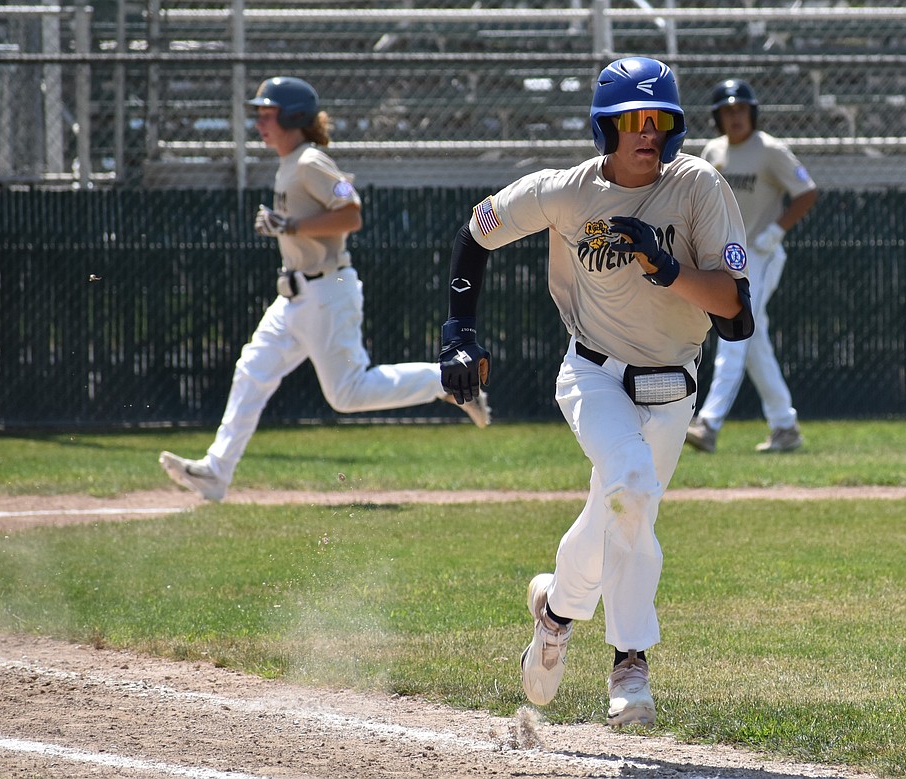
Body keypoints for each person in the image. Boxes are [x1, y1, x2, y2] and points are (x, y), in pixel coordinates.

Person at [436, 57, 753, 727]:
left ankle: (554, 612)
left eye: (659, 119)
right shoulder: (566, 191)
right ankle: (630, 661)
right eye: (632, 120)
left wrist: (666, 267)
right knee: (632, 491)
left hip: (673, 387)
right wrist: (457, 332)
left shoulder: (699, 186)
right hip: (592, 374)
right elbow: (476, 231)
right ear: (604, 127)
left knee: (614, 514)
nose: (648, 132)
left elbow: (735, 311)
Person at [160, 76, 490, 502]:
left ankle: (447, 380)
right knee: (251, 371)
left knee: (348, 394)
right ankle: (216, 472)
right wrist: (286, 227)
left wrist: (293, 225)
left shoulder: (310, 161)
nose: (260, 121)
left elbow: (351, 213)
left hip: (327, 290)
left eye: (268, 113)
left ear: (294, 116)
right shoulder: (290, 162)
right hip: (295, 295)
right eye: (259, 113)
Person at [685, 78, 818, 454]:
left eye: (741, 109)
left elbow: (807, 191)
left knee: (735, 334)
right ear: (718, 117)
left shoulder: (770, 150)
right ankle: (785, 426)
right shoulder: (713, 151)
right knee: (753, 339)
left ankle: (708, 423)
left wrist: (776, 231)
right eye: (728, 110)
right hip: (726, 254)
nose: (735, 116)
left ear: (753, 112)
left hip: (759, 252)